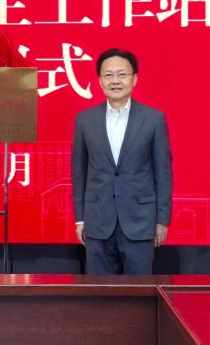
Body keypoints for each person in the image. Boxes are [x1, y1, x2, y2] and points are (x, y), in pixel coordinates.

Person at [71, 48, 172, 274]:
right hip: (97, 221)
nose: (115, 81)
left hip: (140, 221)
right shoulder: (85, 120)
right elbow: (79, 173)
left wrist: (162, 219)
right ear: (100, 81)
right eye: (108, 75)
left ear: (134, 79)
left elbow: (162, 173)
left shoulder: (153, 119)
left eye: (122, 74)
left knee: (139, 289)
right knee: (100, 290)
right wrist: (80, 219)